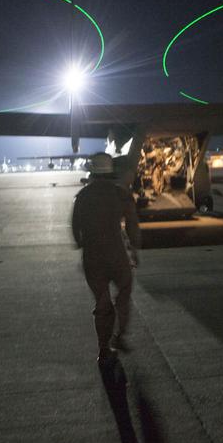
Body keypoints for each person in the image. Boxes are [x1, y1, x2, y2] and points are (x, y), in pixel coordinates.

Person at [72, 153, 141, 364]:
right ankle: (120, 334)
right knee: (125, 290)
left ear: (92, 172)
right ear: (111, 172)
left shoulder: (83, 196)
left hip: (93, 257)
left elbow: (75, 227)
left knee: (102, 303)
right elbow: (131, 223)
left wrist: (82, 243)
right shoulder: (121, 194)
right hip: (116, 254)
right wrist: (134, 249)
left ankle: (103, 349)